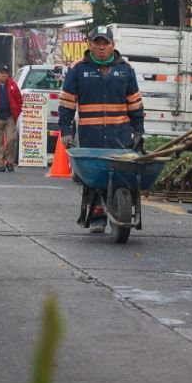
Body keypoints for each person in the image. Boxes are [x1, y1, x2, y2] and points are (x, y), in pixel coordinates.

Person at [58, 25, 144, 233]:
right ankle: (98, 214)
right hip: (91, 137)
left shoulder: (125, 69)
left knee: (122, 174)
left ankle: (121, 205)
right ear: (90, 45)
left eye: (106, 43)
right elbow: (67, 104)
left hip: (120, 136)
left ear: (113, 45)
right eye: (98, 43)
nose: (102, 47)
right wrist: (66, 132)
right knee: (95, 177)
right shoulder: (78, 69)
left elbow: (134, 103)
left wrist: (139, 130)